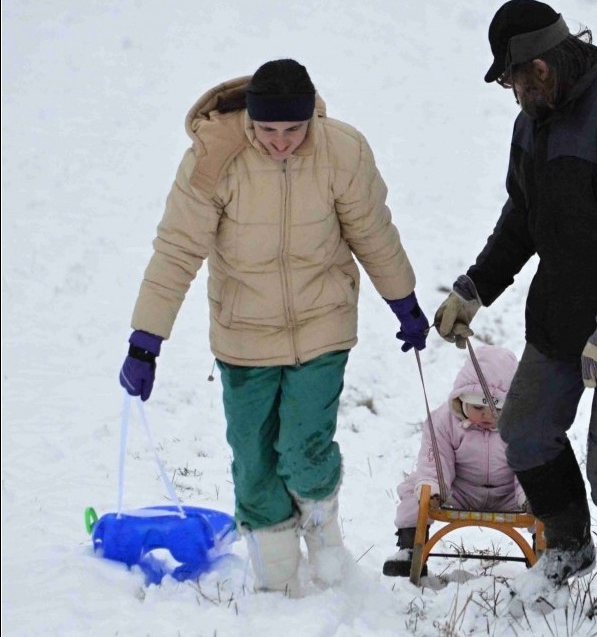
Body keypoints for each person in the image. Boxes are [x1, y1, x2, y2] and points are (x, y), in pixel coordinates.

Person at [117, 59, 430, 596]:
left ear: (311, 117)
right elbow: (176, 251)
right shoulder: (213, 159)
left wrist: (404, 302)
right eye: (267, 130)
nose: (281, 142)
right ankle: (278, 580)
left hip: (322, 322)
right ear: (249, 120)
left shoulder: (342, 151)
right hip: (243, 333)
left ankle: (325, 541)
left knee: (305, 451)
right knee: (254, 463)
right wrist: (145, 342)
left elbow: (373, 232)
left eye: (294, 129)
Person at [433, 0, 597, 622]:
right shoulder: (533, 123)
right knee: (524, 428)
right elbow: (523, 214)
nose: (512, 91)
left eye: (513, 78)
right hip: (564, 309)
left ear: (542, 68)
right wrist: (476, 286)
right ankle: (569, 546)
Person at [381, 344, 525, 577]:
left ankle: (546, 554)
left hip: (509, 494)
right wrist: (434, 488)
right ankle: (409, 549)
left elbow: (527, 465)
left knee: (547, 498)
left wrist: (527, 495)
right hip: (459, 489)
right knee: (415, 490)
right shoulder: (445, 421)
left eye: (498, 409)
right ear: (461, 399)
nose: (488, 415)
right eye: (478, 407)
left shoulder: (521, 426)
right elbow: (436, 458)